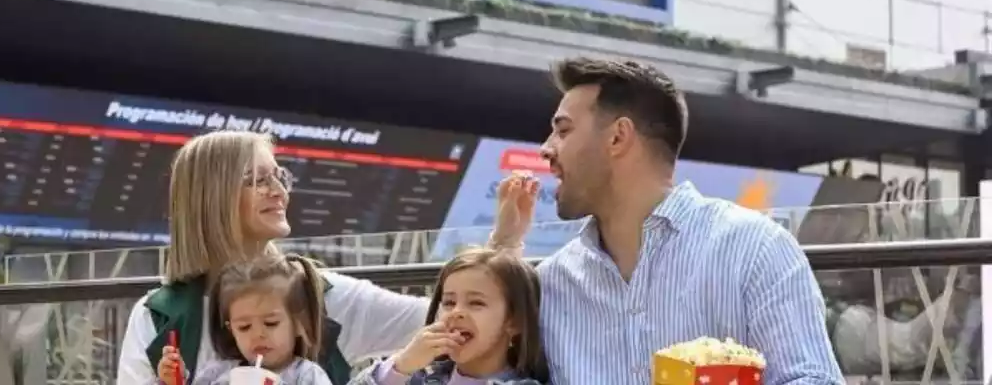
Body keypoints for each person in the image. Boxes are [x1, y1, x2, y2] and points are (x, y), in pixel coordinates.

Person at [493, 57, 846, 385]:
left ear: (618, 137)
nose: (546, 148)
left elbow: (812, 378)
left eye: (563, 130)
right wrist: (502, 249)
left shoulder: (756, 248)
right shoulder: (551, 284)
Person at [116, 131, 530, 385]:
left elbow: (451, 322)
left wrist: (505, 245)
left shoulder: (325, 294)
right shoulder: (157, 317)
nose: (279, 191)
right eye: (258, 180)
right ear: (211, 198)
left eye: (279, 176)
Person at [347, 248, 548, 385]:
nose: (456, 312)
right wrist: (400, 367)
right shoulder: (417, 377)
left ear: (514, 321)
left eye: (476, 303)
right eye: (449, 303)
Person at [157, 253, 332, 384]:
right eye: (244, 327)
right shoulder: (217, 374)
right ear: (230, 329)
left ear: (298, 323)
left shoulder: (308, 377)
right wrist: (174, 381)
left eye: (271, 323)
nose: (258, 334)